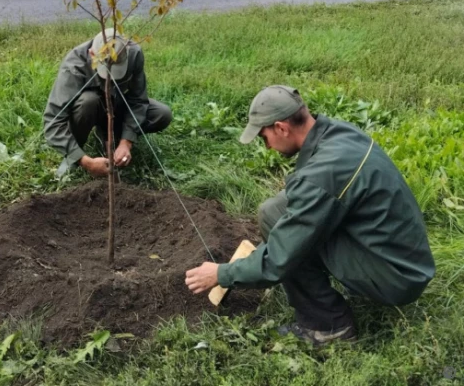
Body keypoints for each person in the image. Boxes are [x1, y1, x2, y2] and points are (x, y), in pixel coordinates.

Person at [185, 85, 435, 346]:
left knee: (286, 237)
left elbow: (281, 258)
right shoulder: (339, 133)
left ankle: (328, 326)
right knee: (275, 211)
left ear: (282, 128)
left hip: (395, 275)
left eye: (264, 137)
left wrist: (221, 274)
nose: (267, 146)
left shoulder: (321, 177)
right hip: (403, 256)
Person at [44, 30, 172, 178]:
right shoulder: (74, 66)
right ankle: (73, 155)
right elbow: (53, 122)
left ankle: (115, 139)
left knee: (162, 114)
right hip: (90, 109)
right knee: (88, 102)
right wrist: (86, 161)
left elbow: (138, 100)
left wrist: (126, 141)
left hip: (116, 105)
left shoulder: (134, 53)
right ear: (92, 54)